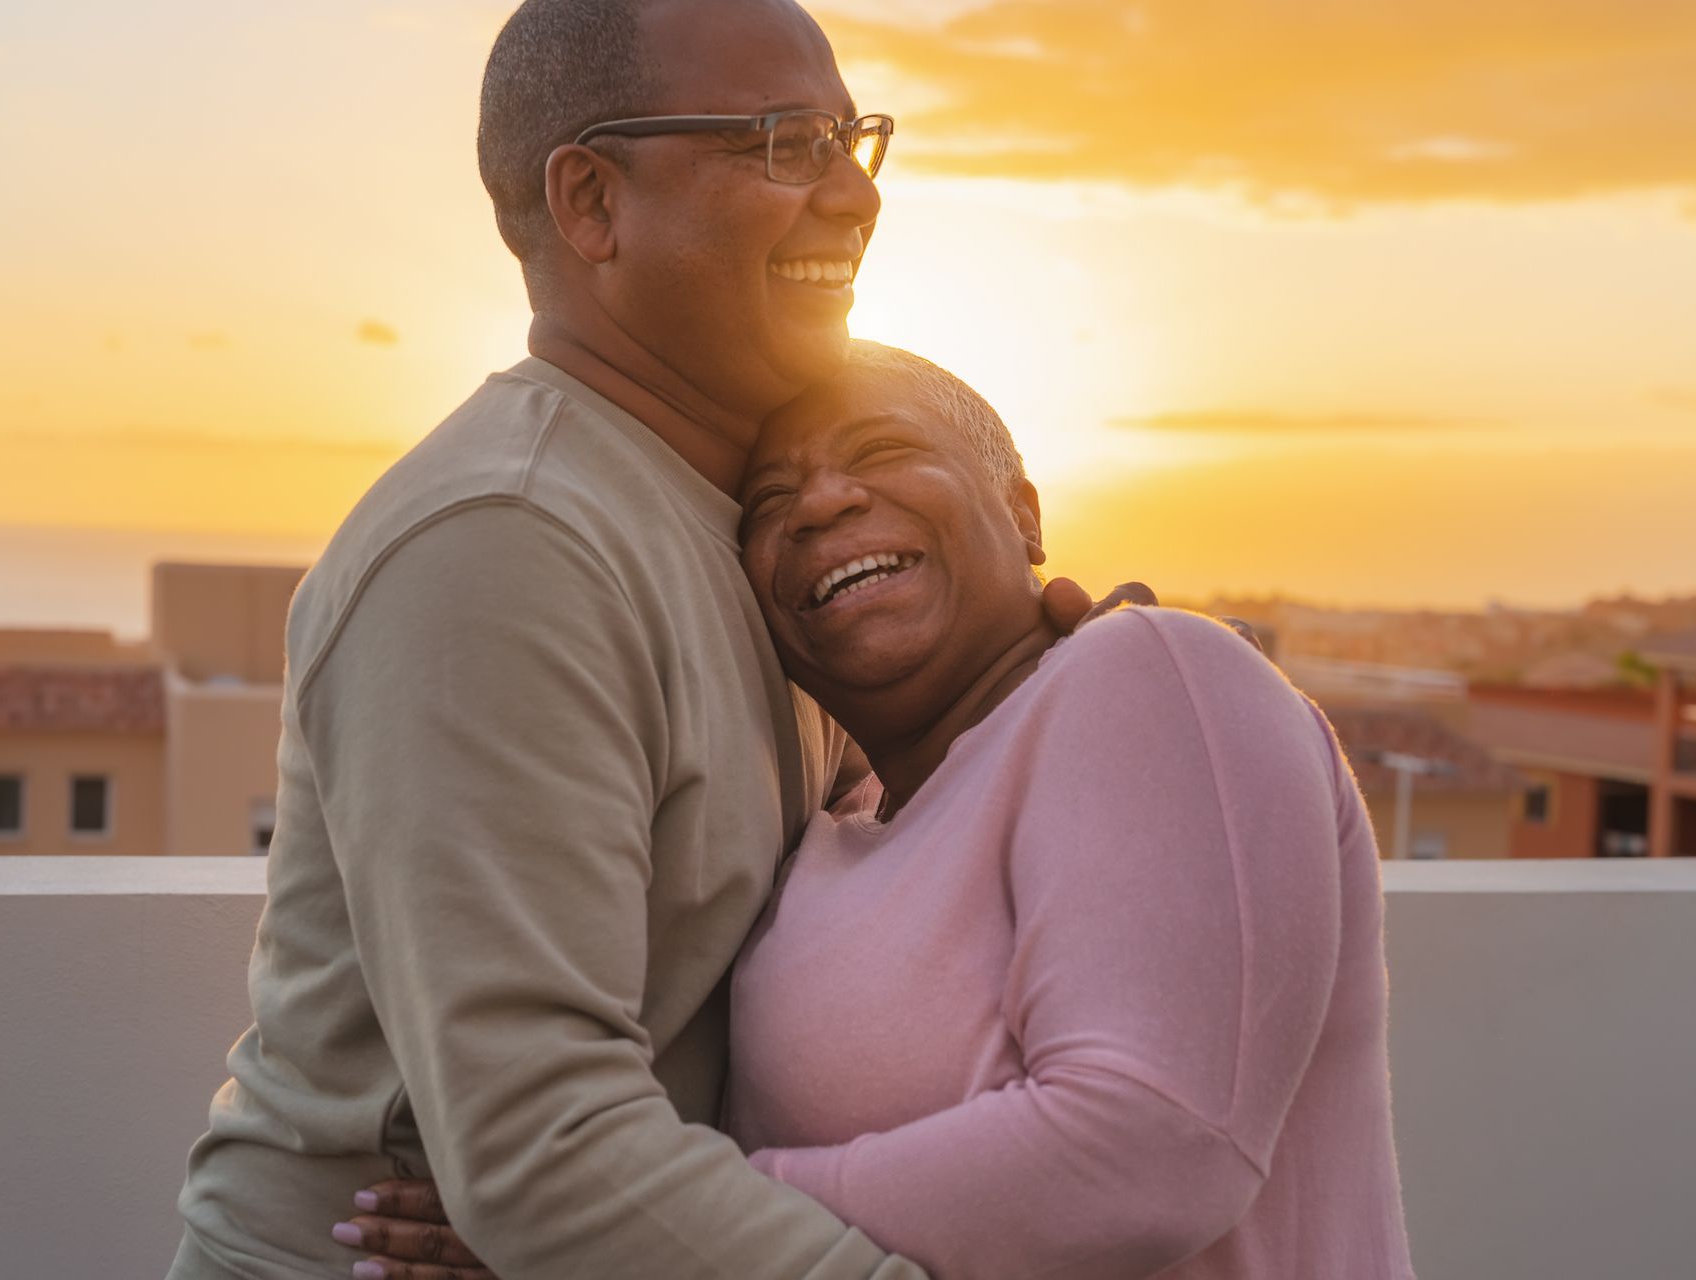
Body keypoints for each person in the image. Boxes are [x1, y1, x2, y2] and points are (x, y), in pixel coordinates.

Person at [167, 3, 1131, 1278]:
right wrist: (563, 1205)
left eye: (850, 137)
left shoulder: (752, 531)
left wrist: (1059, 696)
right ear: (591, 203)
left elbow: (875, 891)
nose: (854, 194)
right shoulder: (506, 546)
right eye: (784, 142)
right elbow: (544, 1147)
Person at [345, 347, 1416, 1279]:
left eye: (880, 451)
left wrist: (627, 1236)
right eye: (768, 504)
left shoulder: (1147, 670)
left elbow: (1150, 1148)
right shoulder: (826, 832)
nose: (818, 504)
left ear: (1024, 513)